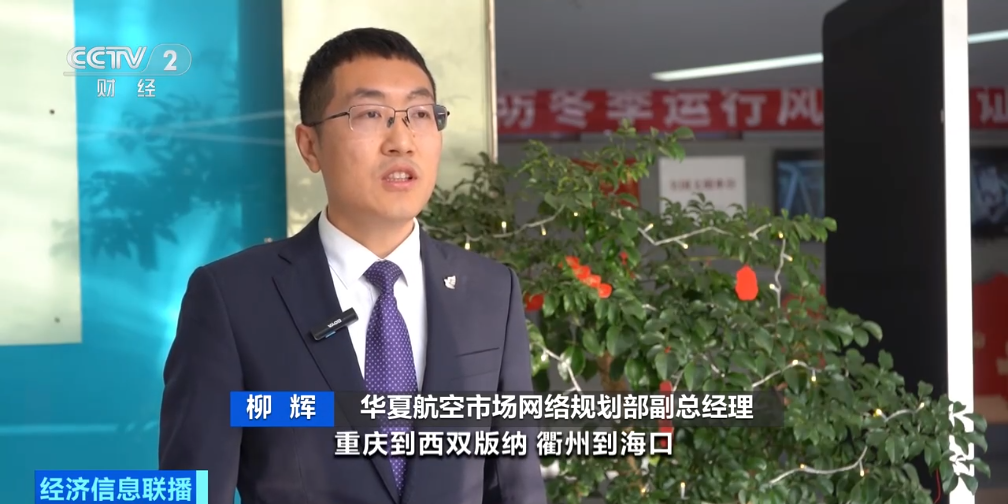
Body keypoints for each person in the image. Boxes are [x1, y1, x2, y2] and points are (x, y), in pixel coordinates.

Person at [158, 28, 547, 504]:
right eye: (370, 115)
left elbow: (515, 485)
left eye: (420, 114)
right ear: (310, 146)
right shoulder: (233, 299)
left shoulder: (491, 292)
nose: (401, 140)